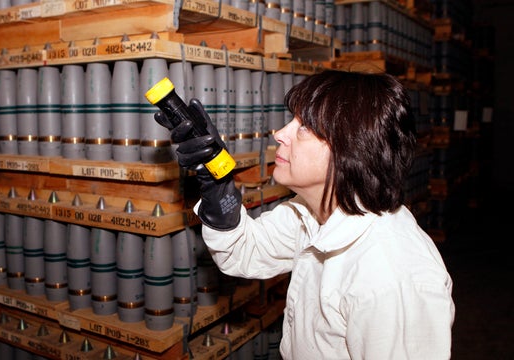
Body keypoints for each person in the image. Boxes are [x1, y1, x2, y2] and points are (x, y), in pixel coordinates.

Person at [154, 70, 455, 359]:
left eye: (305, 127)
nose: (280, 134)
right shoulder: (312, 214)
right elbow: (243, 252)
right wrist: (219, 188)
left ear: (352, 148)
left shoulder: (393, 276)